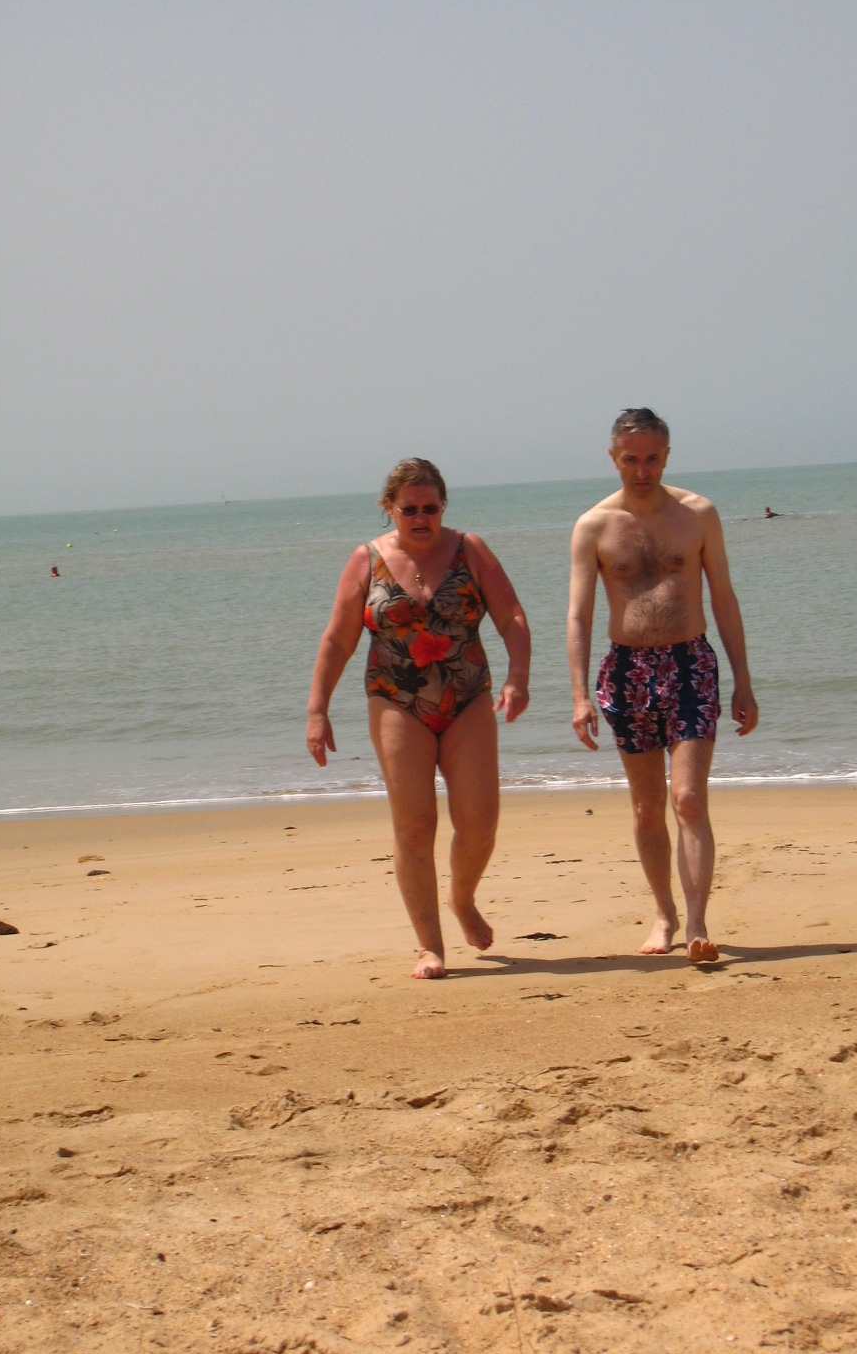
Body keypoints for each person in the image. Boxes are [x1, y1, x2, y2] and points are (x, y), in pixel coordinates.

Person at [307, 458, 530, 979]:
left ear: (443, 505)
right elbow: (338, 639)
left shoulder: (470, 550)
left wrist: (517, 677)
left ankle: (462, 898)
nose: (421, 518)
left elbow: (511, 615)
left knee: (479, 825)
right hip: (396, 701)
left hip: (468, 698)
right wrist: (317, 710)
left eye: (431, 508)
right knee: (414, 827)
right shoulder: (366, 561)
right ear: (389, 508)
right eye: (410, 509)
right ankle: (430, 946)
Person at [567, 409, 758, 963]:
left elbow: (724, 598)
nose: (642, 470)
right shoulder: (594, 526)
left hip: (690, 663)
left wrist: (744, 681)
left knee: (688, 798)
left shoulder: (698, 515)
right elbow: (579, 614)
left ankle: (697, 921)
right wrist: (579, 695)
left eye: (652, 458)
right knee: (648, 806)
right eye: (631, 459)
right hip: (626, 670)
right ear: (613, 458)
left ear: (667, 456)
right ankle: (664, 914)